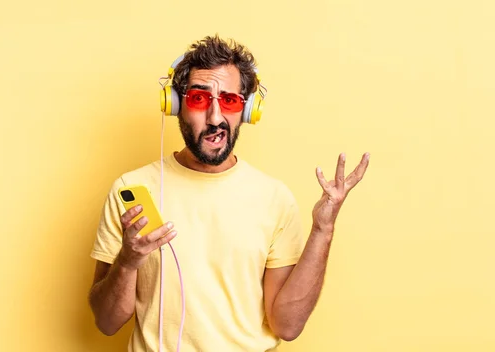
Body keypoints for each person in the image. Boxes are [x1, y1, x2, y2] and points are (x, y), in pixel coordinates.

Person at [88, 35, 370, 352]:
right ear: (176, 105)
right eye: (198, 99)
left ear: (248, 110)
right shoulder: (133, 191)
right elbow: (107, 322)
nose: (216, 118)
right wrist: (127, 262)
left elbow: (287, 326)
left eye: (231, 101)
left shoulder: (274, 198)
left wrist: (323, 229)